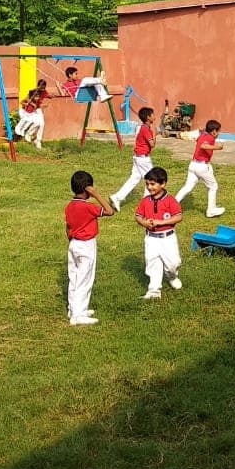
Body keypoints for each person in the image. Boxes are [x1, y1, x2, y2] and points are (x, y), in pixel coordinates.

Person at [64, 170, 115, 326]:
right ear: (88, 189)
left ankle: (73, 308)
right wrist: (96, 194)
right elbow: (110, 211)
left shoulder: (69, 206)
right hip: (86, 245)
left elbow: (68, 227)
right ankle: (78, 315)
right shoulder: (88, 207)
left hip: (73, 244)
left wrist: (71, 240)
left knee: (74, 277)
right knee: (84, 279)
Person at [135, 167, 184, 300]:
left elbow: (178, 217)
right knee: (152, 263)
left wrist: (161, 222)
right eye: (147, 184)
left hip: (167, 238)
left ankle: (172, 276)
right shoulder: (145, 201)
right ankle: (154, 290)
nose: (149, 187)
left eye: (152, 184)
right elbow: (138, 216)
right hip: (151, 238)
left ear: (163, 184)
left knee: (173, 263)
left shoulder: (170, 200)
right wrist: (144, 223)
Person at [109, 107, 157, 211]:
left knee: (134, 179)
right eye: (153, 114)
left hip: (138, 157)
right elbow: (152, 144)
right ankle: (146, 204)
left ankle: (116, 197)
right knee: (152, 179)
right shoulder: (146, 129)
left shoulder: (143, 128)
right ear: (148, 117)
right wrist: (155, 133)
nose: (154, 116)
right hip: (143, 159)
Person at [176, 119, 226, 218]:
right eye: (218, 131)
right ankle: (211, 210)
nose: (219, 133)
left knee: (188, 187)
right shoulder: (210, 138)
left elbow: (199, 139)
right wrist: (217, 147)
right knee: (213, 186)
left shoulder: (203, 135)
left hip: (193, 165)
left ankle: (172, 205)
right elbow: (203, 145)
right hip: (201, 167)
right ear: (213, 131)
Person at [15, 79, 50, 149]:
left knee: (42, 124)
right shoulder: (33, 92)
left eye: (44, 88)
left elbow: (49, 96)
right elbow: (26, 100)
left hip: (37, 109)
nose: (43, 89)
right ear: (38, 86)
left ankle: (38, 140)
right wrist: (32, 104)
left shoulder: (44, 91)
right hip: (32, 110)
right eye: (41, 88)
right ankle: (28, 134)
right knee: (37, 123)